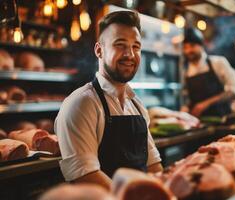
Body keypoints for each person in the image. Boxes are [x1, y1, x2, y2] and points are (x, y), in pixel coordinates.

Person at [55, 11, 163, 190]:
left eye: (136, 46)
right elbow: (86, 176)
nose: (130, 54)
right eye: (120, 45)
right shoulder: (82, 104)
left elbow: (153, 166)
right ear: (99, 50)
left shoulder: (137, 106)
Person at [181, 28, 235, 117]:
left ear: (201, 45)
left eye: (192, 45)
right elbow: (187, 99)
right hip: (199, 122)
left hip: (222, 119)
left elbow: (234, 89)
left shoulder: (218, 62)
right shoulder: (185, 71)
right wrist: (183, 111)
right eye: (185, 47)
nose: (188, 50)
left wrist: (206, 103)